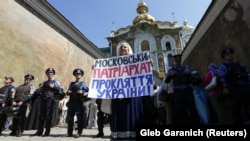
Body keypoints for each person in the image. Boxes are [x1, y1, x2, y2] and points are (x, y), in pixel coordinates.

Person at [110, 42, 144, 140]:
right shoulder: (114, 62)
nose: (123, 48)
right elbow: (107, 74)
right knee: (120, 115)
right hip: (118, 93)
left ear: (129, 49)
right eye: (121, 47)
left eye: (125, 47)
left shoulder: (136, 62)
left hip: (132, 94)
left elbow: (142, 73)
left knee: (132, 114)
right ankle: (119, 136)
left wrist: (147, 65)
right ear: (119, 51)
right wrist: (97, 70)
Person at [164, 54, 200, 125]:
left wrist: (188, 73)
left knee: (192, 108)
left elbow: (190, 75)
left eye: (179, 60)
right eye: (176, 60)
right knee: (180, 110)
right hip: (178, 92)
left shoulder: (185, 67)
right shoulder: (171, 69)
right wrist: (171, 75)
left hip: (187, 90)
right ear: (174, 61)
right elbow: (166, 81)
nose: (178, 62)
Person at [218, 47, 250, 124]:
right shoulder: (223, 66)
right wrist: (225, 87)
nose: (230, 56)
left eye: (231, 54)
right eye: (227, 54)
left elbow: (246, 73)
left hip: (246, 85)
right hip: (235, 87)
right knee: (238, 105)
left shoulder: (239, 64)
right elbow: (222, 77)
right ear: (224, 57)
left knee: (248, 103)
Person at [32, 68, 61, 136]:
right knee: (41, 116)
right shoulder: (44, 82)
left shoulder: (55, 82)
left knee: (48, 116)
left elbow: (60, 90)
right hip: (43, 100)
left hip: (50, 101)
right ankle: (40, 131)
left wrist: (53, 87)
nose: (49, 75)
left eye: (51, 73)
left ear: (53, 74)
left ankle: (47, 132)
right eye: (48, 73)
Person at [65, 68, 89, 138]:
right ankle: (69, 132)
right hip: (72, 102)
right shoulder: (71, 83)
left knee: (79, 118)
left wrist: (82, 91)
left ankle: (79, 132)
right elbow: (68, 91)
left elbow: (88, 91)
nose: (78, 75)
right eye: (76, 74)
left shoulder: (83, 84)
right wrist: (68, 92)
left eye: (79, 74)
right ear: (74, 75)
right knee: (70, 118)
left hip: (79, 102)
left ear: (81, 75)